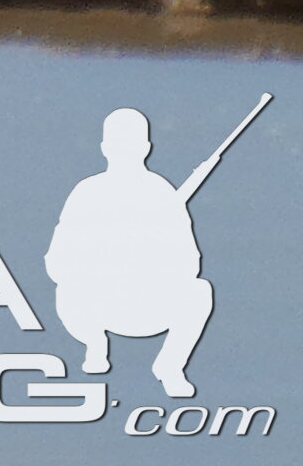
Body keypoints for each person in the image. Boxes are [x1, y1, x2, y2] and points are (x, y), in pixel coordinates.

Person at [51, 106, 224, 398]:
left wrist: (150, 260)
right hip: (96, 305)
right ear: (105, 148)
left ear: (146, 148)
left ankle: (170, 365)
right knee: (67, 290)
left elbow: (190, 263)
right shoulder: (87, 192)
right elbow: (57, 260)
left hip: (148, 305)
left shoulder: (162, 193)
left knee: (199, 292)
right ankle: (95, 345)